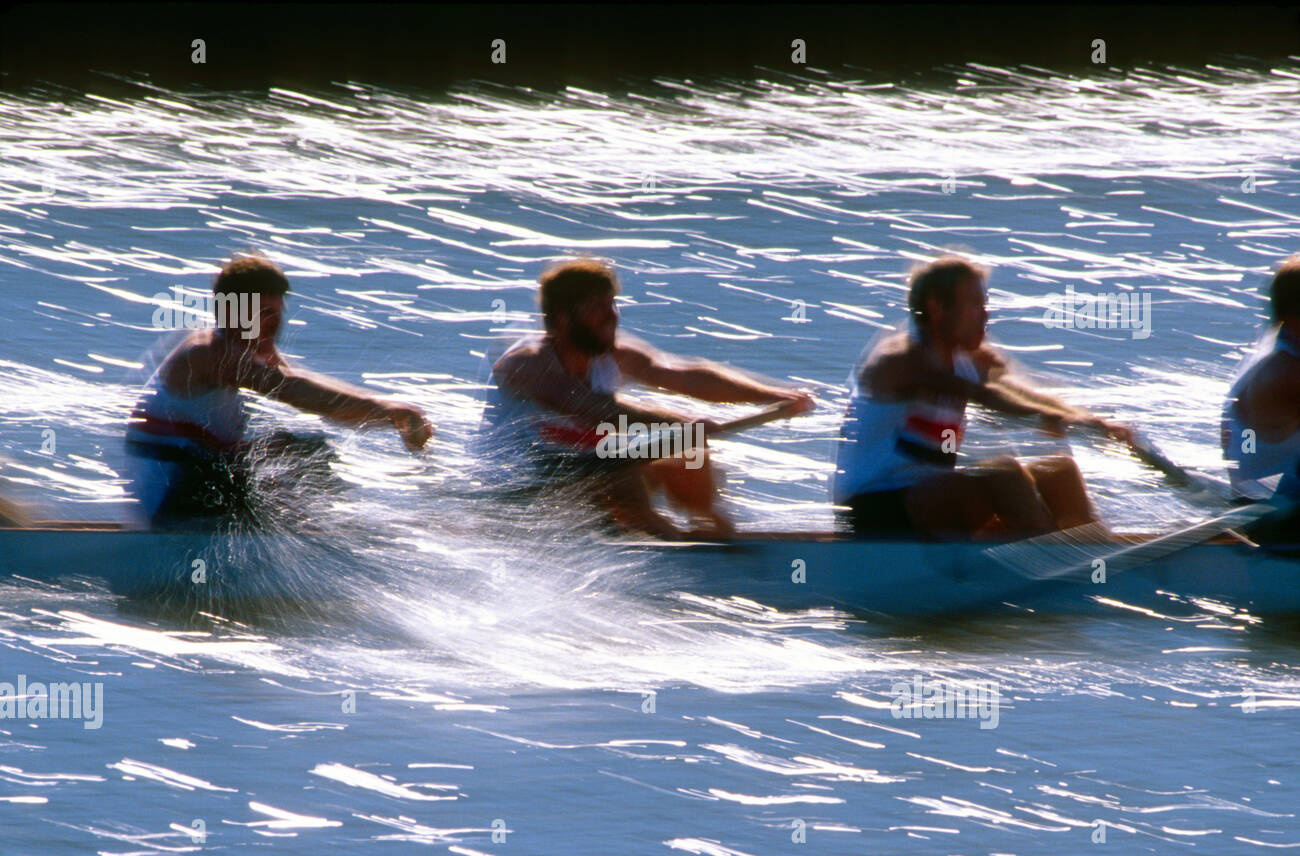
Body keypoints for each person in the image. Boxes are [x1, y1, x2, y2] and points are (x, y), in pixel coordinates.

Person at [479, 258, 814, 538]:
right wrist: (681, 425)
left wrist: (770, 396)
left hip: (588, 467)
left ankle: (710, 531)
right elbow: (597, 412)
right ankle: (671, 547)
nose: (612, 315)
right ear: (565, 318)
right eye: (597, 308)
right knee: (626, 470)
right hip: (523, 486)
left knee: (689, 454)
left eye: (611, 304)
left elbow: (687, 376)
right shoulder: (527, 364)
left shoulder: (611, 355)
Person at [832, 255, 1133, 540]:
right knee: (1004, 472)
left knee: (1060, 472)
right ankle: (1045, 555)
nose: (986, 314)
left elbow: (1021, 392)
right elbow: (984, 395)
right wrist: (1044, 416)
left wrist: (1088, 420)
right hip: (871, 509)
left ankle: (1094, 554)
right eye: (975, 304)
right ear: (937, 308)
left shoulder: (970, 359)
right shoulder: (900, 360)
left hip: (928, 502)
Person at [124, 253, 433, 525]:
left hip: (187, 479)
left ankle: (315, 540)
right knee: (279, 459)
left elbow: (300, 380)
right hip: (166, 497)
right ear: (232, 313)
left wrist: (386, 416)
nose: (274, 325)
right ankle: (300, 550)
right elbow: (295, 390)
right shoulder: (208, 353)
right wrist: (389, 411)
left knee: (302, 451)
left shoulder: (244, 346)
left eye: (277, 313)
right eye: (263, 314)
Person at [1221, 255, 1300, 537]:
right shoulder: (1287, 374)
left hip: (1258, 512)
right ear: (1294, 320)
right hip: (1278, 528)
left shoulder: (1270, 355)